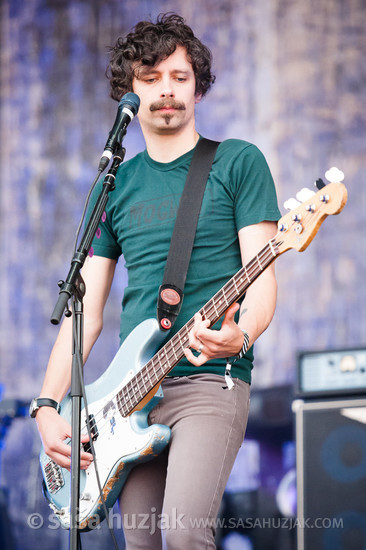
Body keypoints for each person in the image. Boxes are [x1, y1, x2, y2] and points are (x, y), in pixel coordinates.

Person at [34, 13, 280, 550]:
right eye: (150, 79)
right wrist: (48, 407)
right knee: (141, 543)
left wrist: (242, 335)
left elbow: (262, 277)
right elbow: (85, 312)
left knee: (184, 533)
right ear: (128, 91)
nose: (166, 90)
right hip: (131, 396)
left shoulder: (237, 162)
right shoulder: (113, 186)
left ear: (198, 86)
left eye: (179, 76)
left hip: (209, 379)